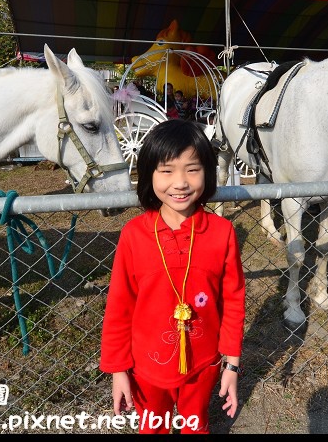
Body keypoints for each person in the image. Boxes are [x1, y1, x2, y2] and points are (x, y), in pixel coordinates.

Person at [99, 119, 246, 434]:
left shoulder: (222, 232)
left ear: (207, 172)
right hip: (145, 368)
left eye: (192, 169)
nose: (180, 182)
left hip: (204, 364)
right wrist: (118, 370)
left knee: (196, 426)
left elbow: (234, 300)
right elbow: (119, 306)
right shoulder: (134, 235)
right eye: (166, 171)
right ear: (148, 174)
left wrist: (231, 363)